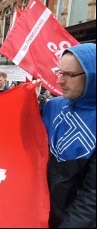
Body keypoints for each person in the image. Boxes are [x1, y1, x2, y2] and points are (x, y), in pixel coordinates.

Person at [40, 43, 96, 227]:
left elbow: (91, 198)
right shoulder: (53, 106)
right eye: (59, 71)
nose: (59, 81)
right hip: (38, 212)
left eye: (69, 74)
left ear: (92, 76)